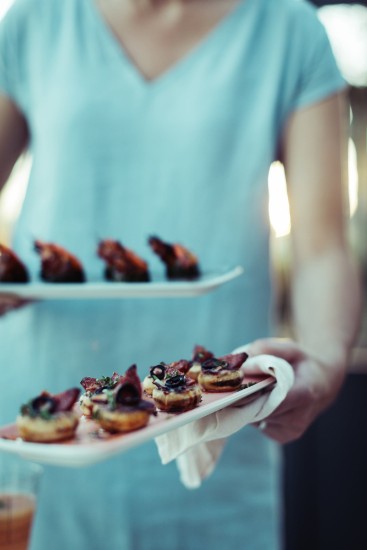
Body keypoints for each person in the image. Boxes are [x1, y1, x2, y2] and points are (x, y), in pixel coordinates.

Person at [0, 0, 360, 548]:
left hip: (217, 431)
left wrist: (327, 364)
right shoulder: (35, 22)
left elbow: (321, 245)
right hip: (40, 434)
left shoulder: (290, 32)